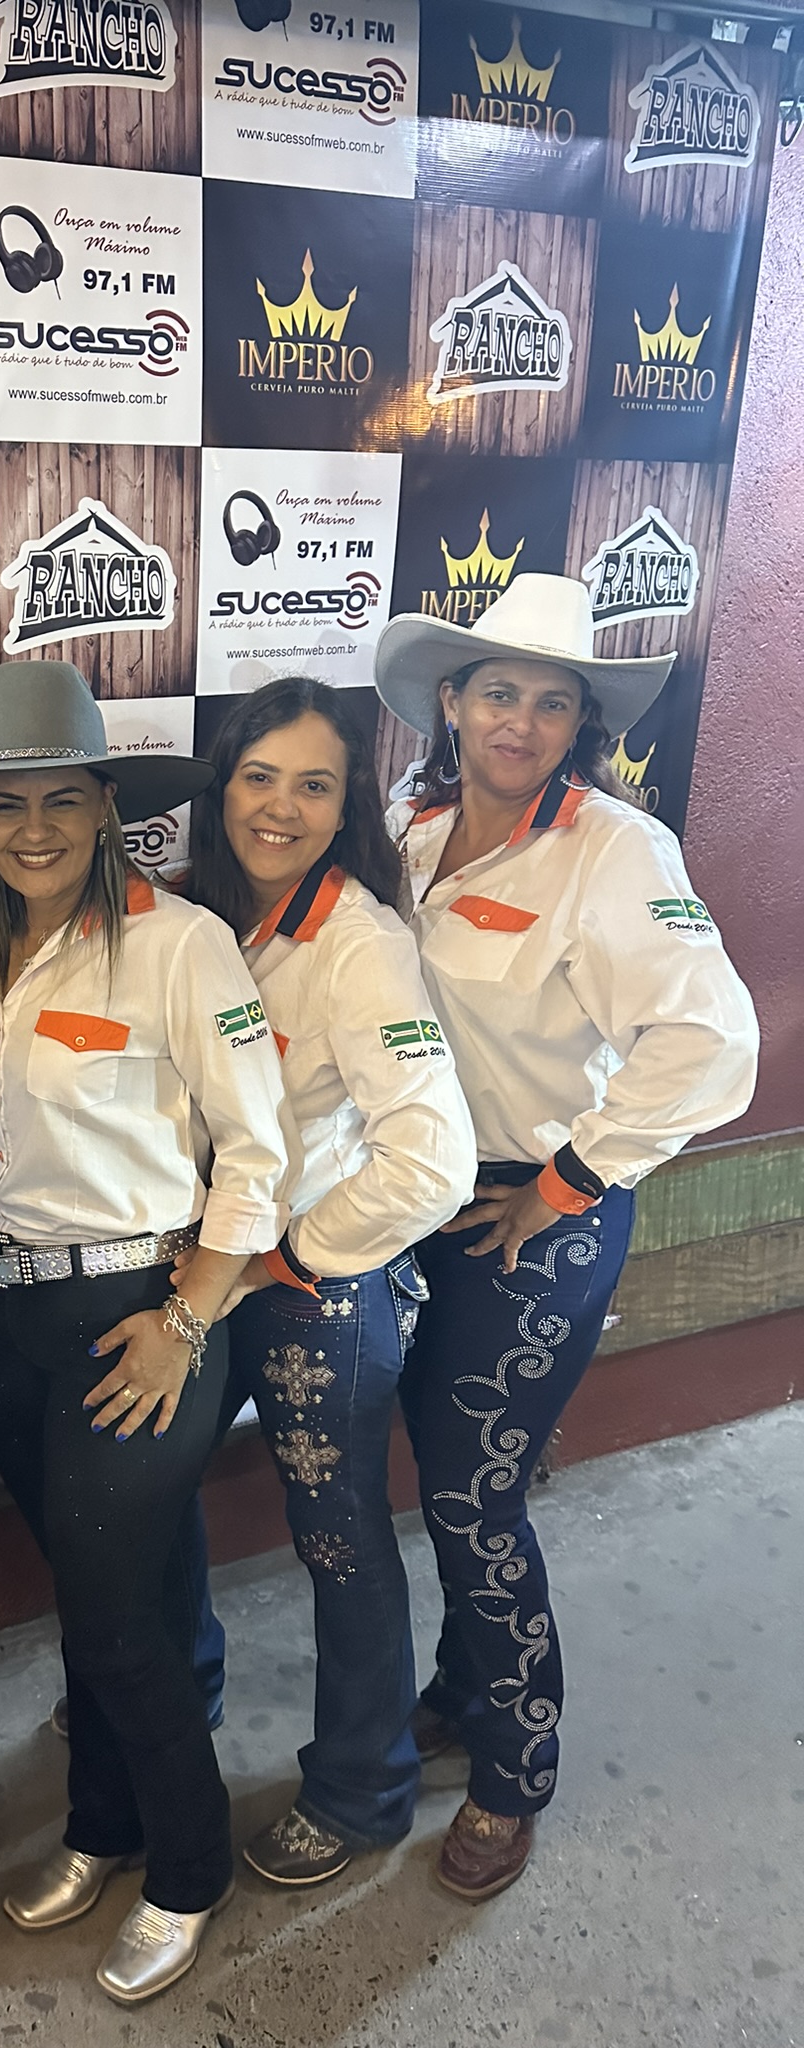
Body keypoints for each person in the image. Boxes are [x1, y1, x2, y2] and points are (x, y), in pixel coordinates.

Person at [0, 662, 291, 2006]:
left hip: (141, 1315)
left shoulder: (182, 944)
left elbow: (259, 1154)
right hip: (7, 1313)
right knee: (101, 1601)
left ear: (109, 806)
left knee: (114, 1620)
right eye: (7, 805)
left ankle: (190, 1866)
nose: (34, 828)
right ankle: (103, 1823)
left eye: (62, 799)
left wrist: (185, 1318)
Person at [373, 575, 758, 1899]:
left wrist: (568, 1179)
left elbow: (715, 1043)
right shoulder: (410, 826)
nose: (520, 721)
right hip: (417, 1199)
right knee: (446, 1475)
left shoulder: (616, 849)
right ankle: (461, 1686)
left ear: (578, 722)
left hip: (537, 1209)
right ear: (451, 701)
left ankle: (514, 1769)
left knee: (474, 1496)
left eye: (551, 702)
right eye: (499, 692)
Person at [173, 677, 476, 1888]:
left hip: (315, 1287)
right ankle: (171, 1694)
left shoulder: (361, 942)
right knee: (150, 1497)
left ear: (349, 805)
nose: (281, 807)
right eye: (260, 777)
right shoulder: (193, 916)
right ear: (221, 787)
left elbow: (434, 1160)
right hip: (204, 1266)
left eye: (315, 785)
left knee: (340, 1541)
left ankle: (364, 1786)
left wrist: (287, 1256)